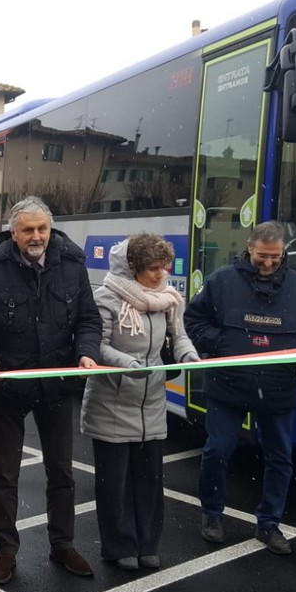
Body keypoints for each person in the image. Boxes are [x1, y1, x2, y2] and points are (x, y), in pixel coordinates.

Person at [0, 196, 102, 584]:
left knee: (61, 471)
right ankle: (5, 551)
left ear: (50, 228)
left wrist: (86, 353)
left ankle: (63, 546)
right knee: (4, 474)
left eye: (41, 228)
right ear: (13, 232)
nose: (36, 236)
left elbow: (88, 319)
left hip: (56, 384)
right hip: (7, 385)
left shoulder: (71, 264)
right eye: (28, 230)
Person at [184, 220, 296, 555]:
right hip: (228, 385)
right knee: (217, 451)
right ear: (249, 248)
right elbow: (193, 320)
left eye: (275, 257)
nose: (268, 264)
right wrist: (221, 343)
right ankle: (211, 514)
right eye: (262, 257)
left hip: (278, 387)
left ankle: (269, 524)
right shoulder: (221, 281)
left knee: (280, 458)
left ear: (283, 252)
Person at [80, 234, 198, 571]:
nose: (161, 276)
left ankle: (148, 543)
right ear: (132, 268)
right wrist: (127, 363)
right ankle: (118, 546)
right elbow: (95, 345)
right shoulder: (107, 298)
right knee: (114, 485)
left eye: (164, 268)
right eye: (153, 269)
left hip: (152, 403)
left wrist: (188, 355)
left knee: (149, 482)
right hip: (111, 402)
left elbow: (180, 336)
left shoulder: (168, 299)